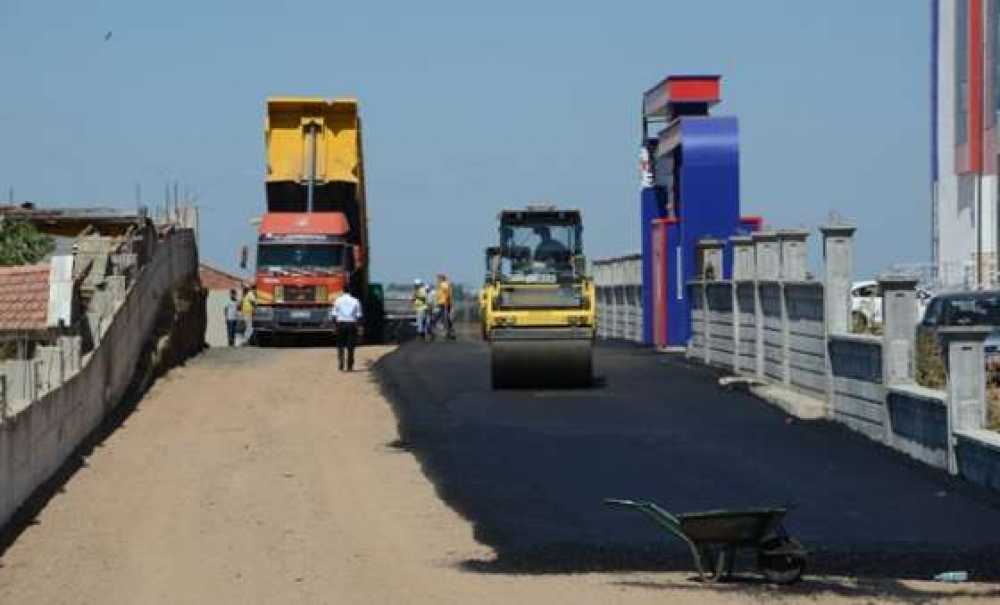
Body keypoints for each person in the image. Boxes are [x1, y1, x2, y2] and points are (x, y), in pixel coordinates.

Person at [331, 290, 363, 371]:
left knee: (340, 345)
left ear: (342, 292)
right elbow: (359, 315)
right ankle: (350, 365)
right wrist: (359, 326)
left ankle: (341, 363)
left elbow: (334, 315)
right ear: (350, 292)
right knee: (351, 346)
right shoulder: (355, 300)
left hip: (341, 324)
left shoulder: (338, 300)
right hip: (352, 324)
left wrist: (335, 326)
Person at [435, 273, 455, 340]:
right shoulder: (442, 284)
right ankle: (449, 332)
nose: (437, 280)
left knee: (443, 318)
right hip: (443, 303)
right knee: (445, 318)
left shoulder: (444, 284)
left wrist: (446, 302)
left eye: (438, 278)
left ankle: (448, 332)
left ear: (441, 278)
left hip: (444, 303)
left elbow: (447, 293)